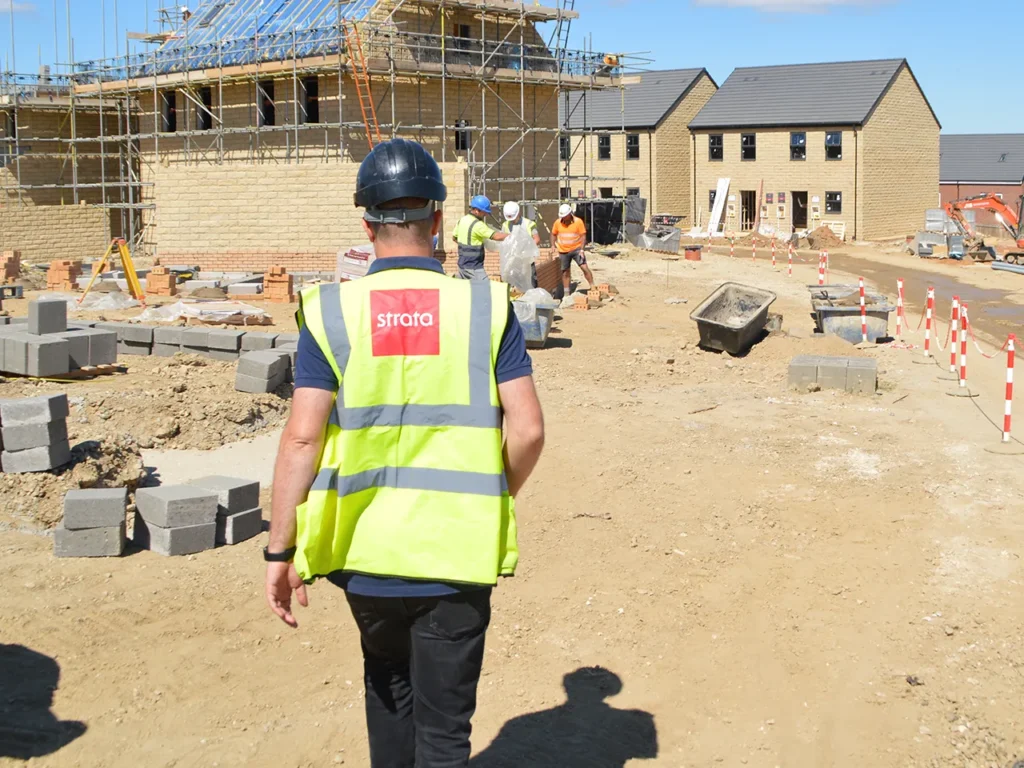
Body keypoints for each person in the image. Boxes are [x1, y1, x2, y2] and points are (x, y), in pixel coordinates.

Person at [264, 137, 546, 768]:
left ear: (366, 225)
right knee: (445, 733)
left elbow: (302, 437)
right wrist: (491, 494)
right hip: (456, 555)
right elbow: (527, 430)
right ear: (439, 219)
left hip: (366, 555)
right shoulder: (483, 304)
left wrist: (280, 549)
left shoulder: (332, 310)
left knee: (388, 693)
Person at [453, 195, 508, 280]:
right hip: (474, 267)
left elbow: (454, 238)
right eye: (484, 212)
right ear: (476, 210)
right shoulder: (478, 225)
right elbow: (496, 236)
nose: (486, 214)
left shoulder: (462, 220)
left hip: (462, 266)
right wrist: (512, 235)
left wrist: (468, 244)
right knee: (485, 290)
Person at [551, 203, 595, 296]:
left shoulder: (578, 222)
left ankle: (593, 287)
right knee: (565, 272)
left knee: (584, 267)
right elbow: (553, 234)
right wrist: (552, 245)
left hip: (576, 249)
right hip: (563, 251)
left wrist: (582, 250)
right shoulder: (557, 222)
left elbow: (583, 236)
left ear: (570, 214)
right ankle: (566, 293)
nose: (564, 218)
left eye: (565, 216)